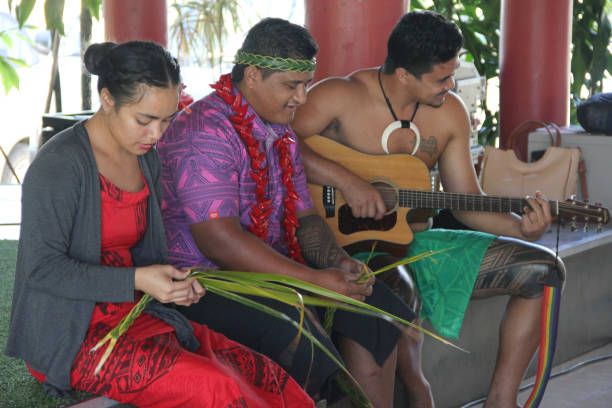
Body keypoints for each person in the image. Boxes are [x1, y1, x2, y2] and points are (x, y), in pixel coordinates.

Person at [4, 40, 314, 408]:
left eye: (167, 120)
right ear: (107, 99)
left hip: (138, 313)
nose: (156, 135)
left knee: (264, 376)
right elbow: (42, 270)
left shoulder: (145, 159)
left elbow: (145, 254)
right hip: (72, 333)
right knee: (218, 388)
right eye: (144, 120)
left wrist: (175, 282)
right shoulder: (61, 165)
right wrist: (139, 279)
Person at [291, 10, 566, 408]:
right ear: (403, 74)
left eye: (452, 74)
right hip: (345, 246)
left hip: (418, 242)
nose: (451, 85)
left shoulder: (450, 112)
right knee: (393, 284)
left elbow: (467, 202)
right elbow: (280, 145)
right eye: (441, 78)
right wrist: (348, 181)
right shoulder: (339, 96)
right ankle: (413, 386)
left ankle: (501, 401)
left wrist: (523, 229)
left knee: (544, 271)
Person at [158, 18, 421, 407]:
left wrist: (339, 262)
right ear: (251, 76)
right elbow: (219, 242)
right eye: (291, 85)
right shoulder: (205, 130)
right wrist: (314, 278)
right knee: (295, 328)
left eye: (306, 84)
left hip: (273, 271)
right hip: (201, 284)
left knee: (374, 310)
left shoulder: (279, 128)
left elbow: (306, 217)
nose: (301, 97)